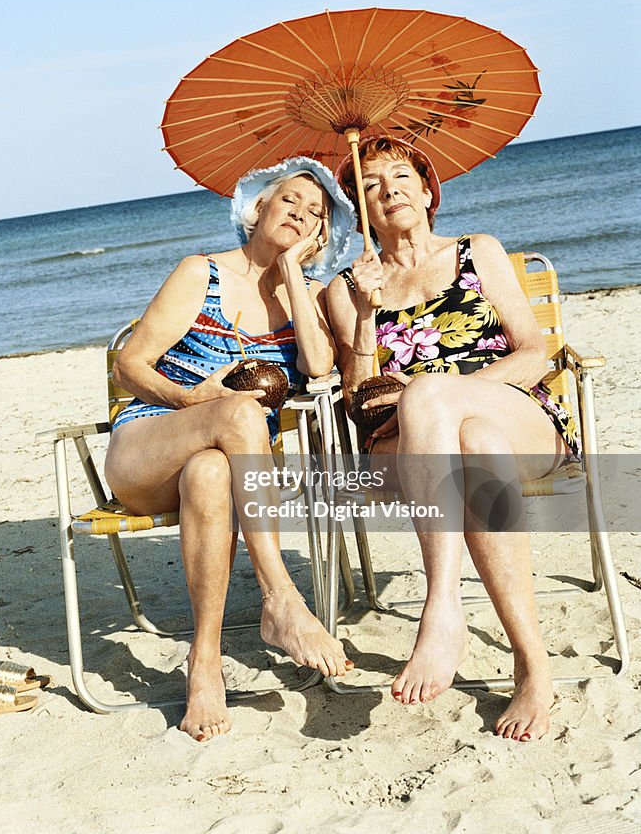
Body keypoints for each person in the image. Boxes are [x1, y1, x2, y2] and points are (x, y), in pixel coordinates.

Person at [327, 135, 578, 743]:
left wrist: (443, 394)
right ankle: (533, 668)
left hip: (518, 410)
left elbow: (533, 351)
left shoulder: (478, 252)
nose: (389, 190)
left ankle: (441, 606)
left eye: (401, 175)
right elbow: (361, 399)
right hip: (405, 447)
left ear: (427, 188)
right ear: (359, 209)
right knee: (475, 445)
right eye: (370, 184)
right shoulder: (344, 287)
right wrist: (365, 310)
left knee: (439, 400)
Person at [104, 157, 356, 742]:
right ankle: (281, 598)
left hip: (225, 463)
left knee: (212, 473)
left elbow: (320, 369)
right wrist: (194, 401)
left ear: (321, 236)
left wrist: (293, 272)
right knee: (241, 412)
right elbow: (130, 364)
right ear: (258, 207)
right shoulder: (201, 273)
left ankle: (205, 664)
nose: (300, 213)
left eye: (315, 213)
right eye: (290, 200)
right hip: (149, 443)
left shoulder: (307, 296)